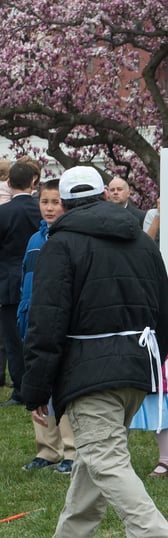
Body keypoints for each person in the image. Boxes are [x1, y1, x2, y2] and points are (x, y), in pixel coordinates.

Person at [20, 165, 168, 538]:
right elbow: (165, 315)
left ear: (66, 201)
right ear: (101, 195)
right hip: (136, 369)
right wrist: (144, 359)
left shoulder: (60, 246)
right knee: (96, 460)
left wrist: (34, 386)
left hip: (89, 373)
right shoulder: (140, 239)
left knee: (106, 461)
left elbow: (46, 323)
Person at [17, 179, 75, 473]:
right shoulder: (34, 240)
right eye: (44, 202)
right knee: (37, 383)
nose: (50, 208)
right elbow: (26, 281)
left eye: (55, 202)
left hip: (60, 323)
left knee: (61, 385)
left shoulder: (68, 239)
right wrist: (23, 315)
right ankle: (47, 449)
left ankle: (71, 449)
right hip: (34, 320)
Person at [0, 160, 42, 406]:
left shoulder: (3, 213)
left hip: (8, 281)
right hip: (40, 277)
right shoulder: (42, 210)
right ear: (33, 182)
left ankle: (20, 389)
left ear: (8, 182)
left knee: (13, 339)